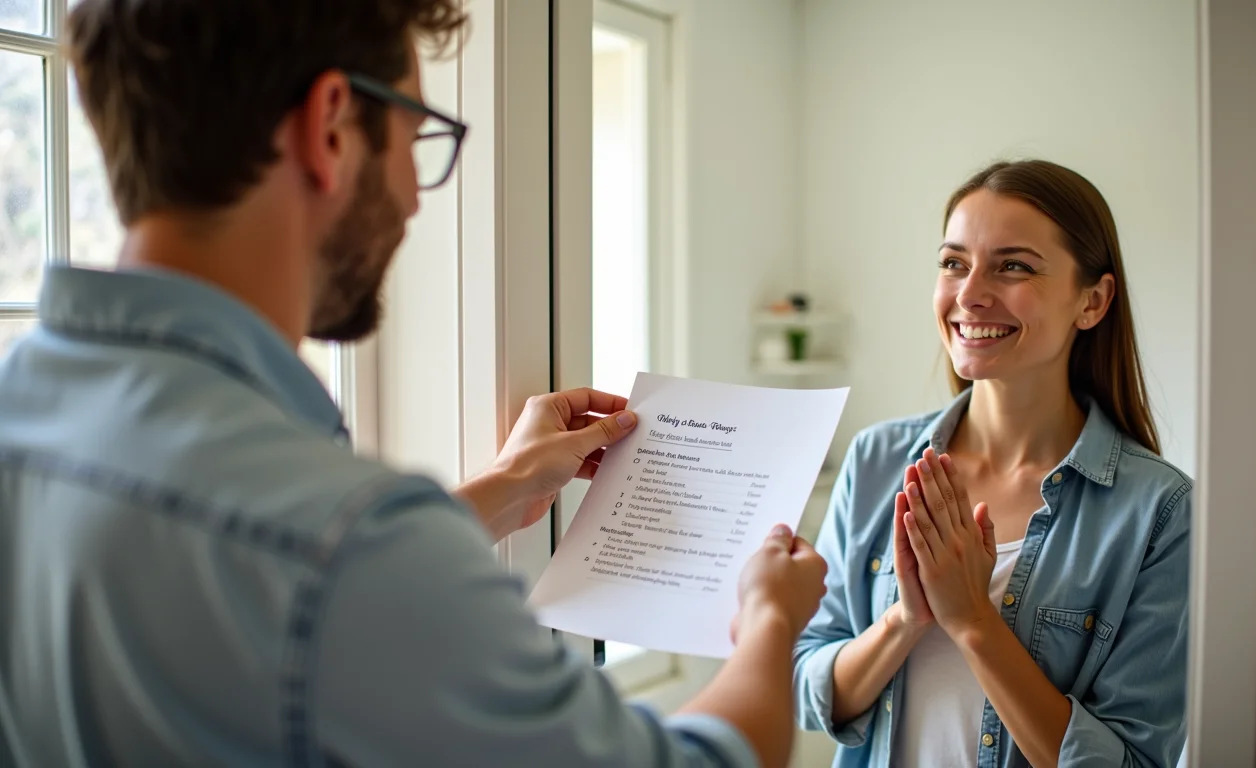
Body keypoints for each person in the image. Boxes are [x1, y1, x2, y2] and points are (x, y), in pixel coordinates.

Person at [0, 1, 828, 766]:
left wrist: (507, 487)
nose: (412, 200)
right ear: (331, 127)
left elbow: (275, 594)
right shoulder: (348, 543)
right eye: (416, 136)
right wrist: (766, 619)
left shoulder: (24, 417)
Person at [793, 160, 1191, 767]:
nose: (970, 293)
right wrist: (905, 619)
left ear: (1093, 300)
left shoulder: (1160, 514)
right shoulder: (876, 460)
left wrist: (974, 620)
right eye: (954, 263)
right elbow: (807, 684)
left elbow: (1135, 761)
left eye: (1013, 266)